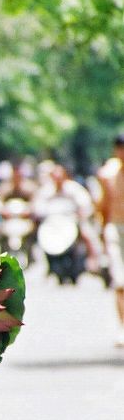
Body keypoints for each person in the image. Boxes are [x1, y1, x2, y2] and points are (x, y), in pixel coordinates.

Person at [97, 134, 124, 346]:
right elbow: (103, 207)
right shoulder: (108, 174)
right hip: (115, 227)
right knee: (120, 281)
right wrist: (102, 233)